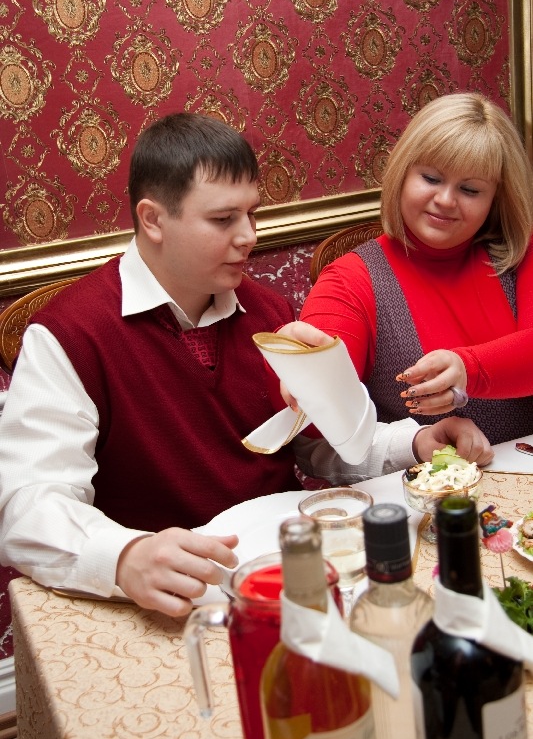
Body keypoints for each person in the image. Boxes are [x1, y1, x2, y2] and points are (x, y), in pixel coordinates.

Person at [0, 112, 493, 619]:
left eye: (252, 214)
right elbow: (28, 503)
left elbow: (317, 447)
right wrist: (124, 557)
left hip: (280, 575)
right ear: (153, 220)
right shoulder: (70, 334)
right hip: (165, 598)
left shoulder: (268, 313)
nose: (249, 236)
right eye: (223, 219)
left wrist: (415, 443)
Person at [295, 92, 533, 445]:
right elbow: (316, 426)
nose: (445, 200)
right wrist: (293, 369)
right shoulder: (349, 280)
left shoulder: (521, 253)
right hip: (422, 480)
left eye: (470, 189)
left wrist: (469, 369)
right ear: (402, 173)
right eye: (432, 178)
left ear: (495, 199)